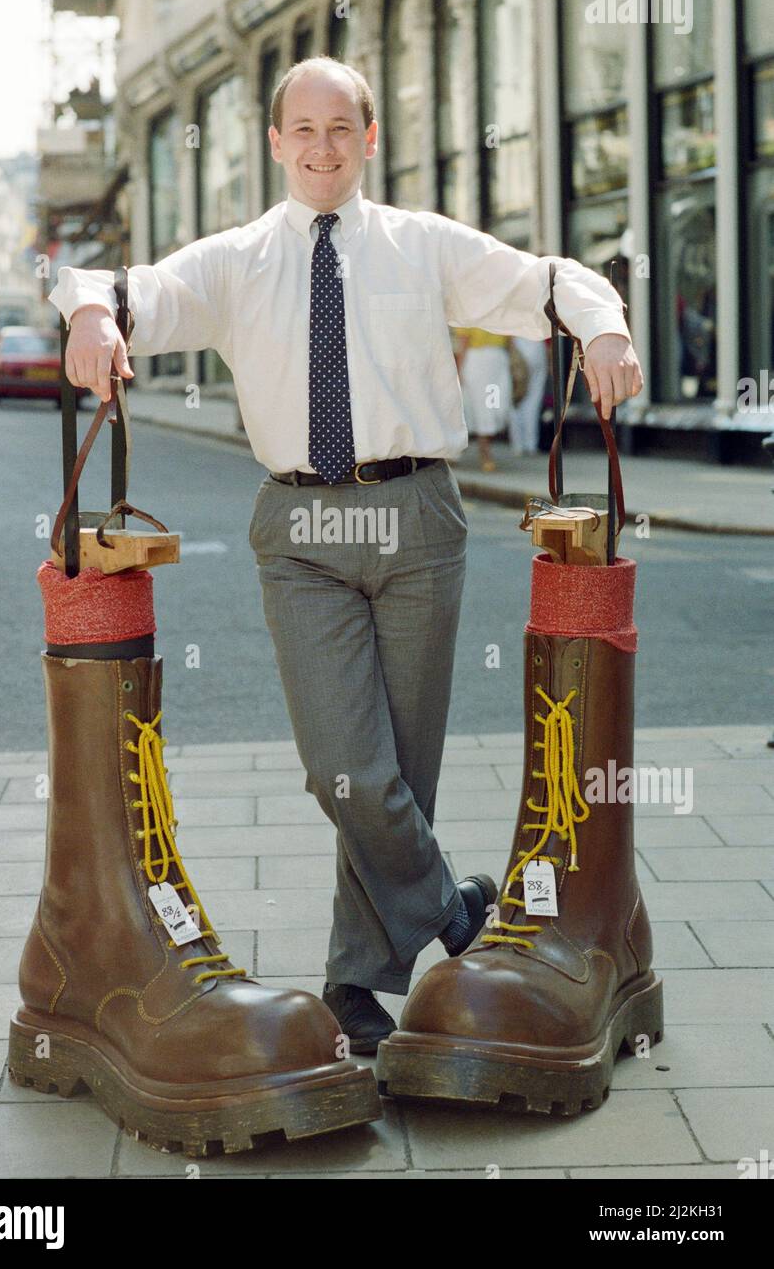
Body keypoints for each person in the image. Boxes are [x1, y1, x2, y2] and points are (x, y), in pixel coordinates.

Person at [48, 55, 643, 1053]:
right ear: (276, 142)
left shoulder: (422, 246)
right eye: (303, 129)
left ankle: (356, 988)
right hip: (303, 530)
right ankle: (455, 914)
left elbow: (551, 281)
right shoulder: (237, 259)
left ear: (370, 140)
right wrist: (94, 312)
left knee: (399, 766)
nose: (322, 147)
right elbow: (126, 287)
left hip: (415, 516)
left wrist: (607, 327)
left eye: (342, 128)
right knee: (344, 771)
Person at [453, 326, 512, 471]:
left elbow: (510, 339)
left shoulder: (498, 309)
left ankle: (477, 447)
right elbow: (463, 342)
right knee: (482, 407)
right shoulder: (469, 313)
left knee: (495, 406)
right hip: (478, 361)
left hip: (497, 361)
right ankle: (484, 452)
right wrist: (459, 370)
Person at [508, 332, 549, 455]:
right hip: (537, 345)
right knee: (533, 400)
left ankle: (518, 444)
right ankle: (530, 443)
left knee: (516, 398)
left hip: (518, 346)